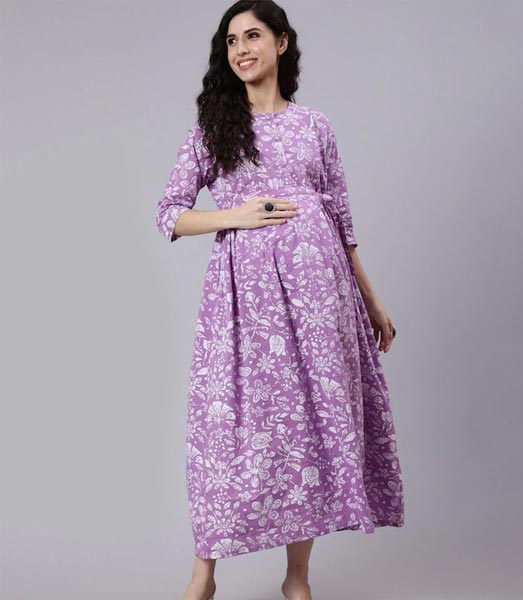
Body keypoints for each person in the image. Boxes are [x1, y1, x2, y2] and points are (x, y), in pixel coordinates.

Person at [155, 1, 404, 599]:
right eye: (231, 40)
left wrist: (371, 301)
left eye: (253, 36)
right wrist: (235, 215)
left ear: (282, 42)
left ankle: (297, 578)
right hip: (247, 305)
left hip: (321, 299)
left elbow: (343, 224)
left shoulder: (315, 125)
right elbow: (168, 213)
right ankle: (203, 577)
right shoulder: (214, 129)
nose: (241, 50)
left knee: (310, 425)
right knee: (228, 430)